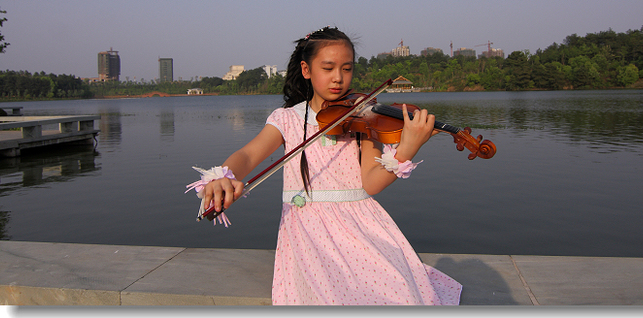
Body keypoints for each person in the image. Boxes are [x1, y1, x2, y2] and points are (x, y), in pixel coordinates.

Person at [198, 26, 462, 305]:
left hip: (362, 229)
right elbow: (248, 155)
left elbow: (371, 183)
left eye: (347, 69)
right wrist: (224, 176)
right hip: (309, 234)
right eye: (328, 68)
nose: (338, 78)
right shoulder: (287, 119)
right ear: (306, 69)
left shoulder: (363, 115)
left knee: (401, 295)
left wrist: (408, 147)